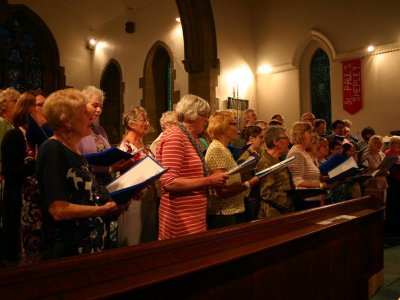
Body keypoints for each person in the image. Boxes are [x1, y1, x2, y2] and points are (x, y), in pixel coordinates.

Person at [36, 88, 126, 259]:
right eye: (84, 113)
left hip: (88, 243)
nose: (89, 117)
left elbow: (84, 195)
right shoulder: (53, 149)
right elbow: (59, 210)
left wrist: (115, 202)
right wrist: (102, 210)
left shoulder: (73, 150)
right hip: (70, 248)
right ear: (67, 121)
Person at [156, 94, 228, 240]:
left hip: (192, 216)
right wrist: (209, 181)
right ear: (191, 115)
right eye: (204, 115)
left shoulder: (189, 137)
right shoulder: (175, 136)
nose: (207, 120)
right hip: (180, 218)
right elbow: (169, 182)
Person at [77, 86, 131, 249]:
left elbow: (106, 154)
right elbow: (78, 163)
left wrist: (117, 162)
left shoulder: (99, 130)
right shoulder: (77, 130)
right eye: (95, 105)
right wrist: (108, 169)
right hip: (87, 188)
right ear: (82, 104)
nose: (99, 110)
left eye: (101, 106)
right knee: (91, 236)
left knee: (105, 233)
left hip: (105, 187)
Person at [1, 92, 39, 265]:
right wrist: (34, 163)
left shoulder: (39, 137)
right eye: (39, 106)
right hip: (20, 204)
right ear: (29, 110)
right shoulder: (14, 135)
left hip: (36, 206)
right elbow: (10, 172)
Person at [205, 111, 259, 229]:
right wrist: (249, 183)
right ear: (222, 127)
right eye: (234, 124)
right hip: (224, 214)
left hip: (232, 210)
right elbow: (221, 191)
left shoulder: (223, 148)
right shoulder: (216, 150)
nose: (237, 129)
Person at [117, 106, 157, 246]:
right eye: (143, 120)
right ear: (131, 124)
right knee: (133, 241)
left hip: (149, 199)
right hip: (133, 201)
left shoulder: (144, 144)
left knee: (147, 240)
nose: (147, 123)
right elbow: (122, 177)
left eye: (147, 120)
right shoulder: (124, 147)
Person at [287, 122, 330, 207]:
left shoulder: (304, 152)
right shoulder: (296, 153)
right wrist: (321, 185)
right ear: (300, 135)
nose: (313, 135)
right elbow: (297, 181)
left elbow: (309, 175)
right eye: (309, 132)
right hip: (306, 201)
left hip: (314, 198)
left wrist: (323, 179)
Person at [256, 125, 293, 219]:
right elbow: (265, 193)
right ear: (276, 142)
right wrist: (288, 198)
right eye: (285, 138)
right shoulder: (266, 162)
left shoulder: (278, 159)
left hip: (283, 210)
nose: (289, 141)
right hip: (272, 213)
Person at [238, 125, 264, 221]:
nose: (263, 140)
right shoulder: (244, 154)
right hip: (250, 195)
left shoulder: (257, 152)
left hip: (257, 192)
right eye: (260, 137)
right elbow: (243, 176)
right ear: (251, 138)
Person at [384, 136, 400, 237]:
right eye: (395, 143)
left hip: (399, 180)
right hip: (392, 181)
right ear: (391, 144)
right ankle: (391, 229)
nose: (397, 145)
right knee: (392, 205)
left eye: (399, 143)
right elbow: (386, 167)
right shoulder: (387, 153)